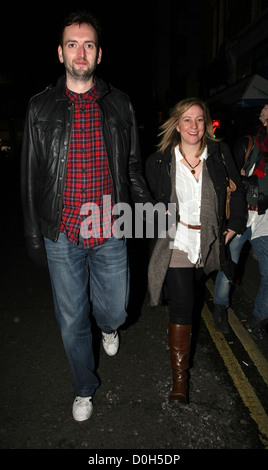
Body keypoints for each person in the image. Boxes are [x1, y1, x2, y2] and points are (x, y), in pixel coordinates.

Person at [20, 10, 154, 422]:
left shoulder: (120, 104)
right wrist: (33, 237)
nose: (81, 52)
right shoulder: (40, 107)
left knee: (115, 311)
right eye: (73, 44)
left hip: (110, 226)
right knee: (72, 319)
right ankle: (83, 387)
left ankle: (110, 326)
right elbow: (29, 178)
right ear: (61, 53)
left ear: (100, 53)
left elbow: (132, 168)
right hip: (62, 232)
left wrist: (146, 217)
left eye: (89, 44)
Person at [146, 98, 246, 404]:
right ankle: (180, 380)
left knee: (193, 289)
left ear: (207, 124)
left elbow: (237, 188)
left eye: (199, 120)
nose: (193, 126)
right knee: (183, 303)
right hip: (176, 241)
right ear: (177, 125)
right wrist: (154, 213)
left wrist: (234, 225)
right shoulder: (160, 160)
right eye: (187, 120)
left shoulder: (218, 153)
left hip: (209, 241)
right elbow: (144, 196)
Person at [213, 104, 268, 338]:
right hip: (243, 214)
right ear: (263, 117)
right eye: (266, 108)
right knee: (229, 268)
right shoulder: (247, 144)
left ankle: (259, 318)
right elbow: (230, 181)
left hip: (265, 218)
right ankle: (220, 308)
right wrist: (247, 184)